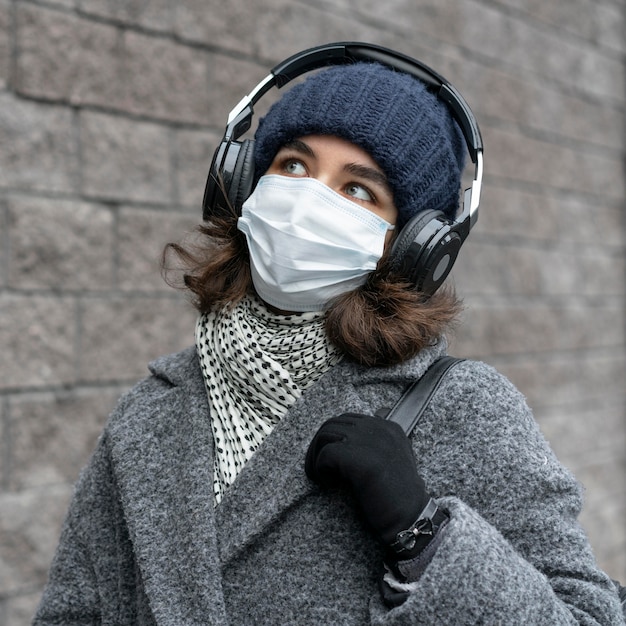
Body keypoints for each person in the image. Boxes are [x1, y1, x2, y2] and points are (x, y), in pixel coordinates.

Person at [34, 43, 624, 625]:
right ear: (243, 185)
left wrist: (422, 534)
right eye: (293, 165)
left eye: (357, 189)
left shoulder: (464, 409)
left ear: (415, 247)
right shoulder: (148, 414)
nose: (307, 200)